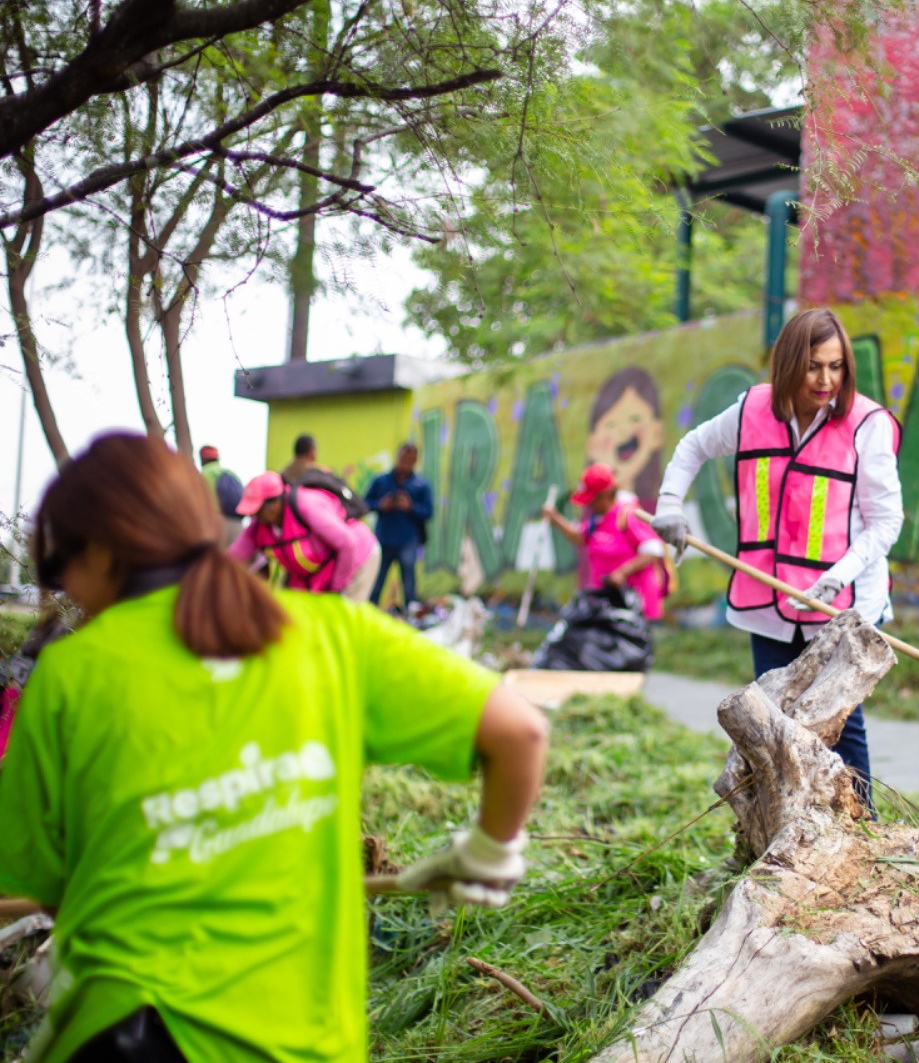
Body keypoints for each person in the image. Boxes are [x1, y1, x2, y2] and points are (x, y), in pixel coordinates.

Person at [0, 433, 549, 1062]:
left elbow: (41, 880)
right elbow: (521, 730)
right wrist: (489, 848)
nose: (65, 587)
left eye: (59, 568)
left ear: (98, 550)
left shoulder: (70, 675)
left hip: (131, 1032)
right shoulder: (332, 636)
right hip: (303, 1043)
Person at [651, 308, 903, 802]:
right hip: (769, 599)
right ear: (789, 362)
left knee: (839, 725)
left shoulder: (866, 425)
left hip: (845, 602)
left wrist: (838, 575)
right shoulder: (752, 411)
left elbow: (886, 522)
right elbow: (692, 446)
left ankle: (865, 835)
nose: (826, 379)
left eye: (836, 367)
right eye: (813, 366)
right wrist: (669, 505)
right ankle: (787, 835)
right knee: (777, 719)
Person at [230, 470, 381, 602]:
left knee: (342, 620)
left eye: (257, 509)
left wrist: (336, 591)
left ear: (275, 503)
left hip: (359, 557)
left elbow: (348, 543)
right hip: (321, 575)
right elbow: (234, 556)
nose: (253, 515)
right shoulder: (261, 524)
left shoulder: (306, 505)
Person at [543, 463, 669, 621]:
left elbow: (653, 550)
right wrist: (556, 519)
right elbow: (581, 537)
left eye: (592, 499)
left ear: (605, 495)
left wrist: (623, 572)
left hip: (635, 603)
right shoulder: (598, 517)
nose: (588, 504)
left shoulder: (628, 515)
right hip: (610, 602)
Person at [365, 442, 434, 611]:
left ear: (415, 461)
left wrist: (411, 507)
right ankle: (369, 614)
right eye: (403, 458)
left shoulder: (421, 484)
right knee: (375, 583)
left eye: (410, 459)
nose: (406, 463)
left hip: (408, 541)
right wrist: (381, 505)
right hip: (384, 540)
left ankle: (411, 617)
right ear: (397, 457)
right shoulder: (381, 481)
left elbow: (428, 512)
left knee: (409, 586)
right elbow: (365, 503)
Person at [586, 367, 666, 510]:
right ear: (592, 444)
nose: (623, 432)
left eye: (635, 419)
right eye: (611, 425)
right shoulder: (596, 519)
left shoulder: (657, 512)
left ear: (657, 433)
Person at [196, 444, 245, 546]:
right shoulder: (231, 473)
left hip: (218, 524)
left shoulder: (204, 474)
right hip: (238, 524)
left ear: (202, 459)